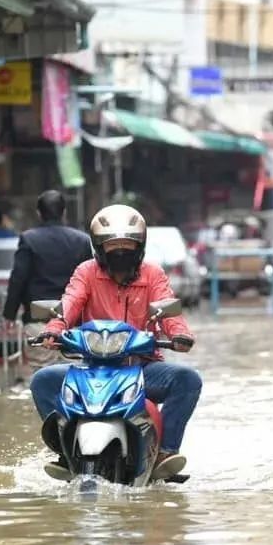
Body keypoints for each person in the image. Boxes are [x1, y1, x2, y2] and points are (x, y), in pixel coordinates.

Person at [30, 204, 202, 481]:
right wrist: (54, 329)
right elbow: (70, 302)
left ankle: (166, 452)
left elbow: (168, 308)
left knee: (188, 379)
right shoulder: (86, 272)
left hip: (142, 368)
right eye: (112, 245)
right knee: (43, 380)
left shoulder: (153, 274)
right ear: (99, 247)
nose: (120, 251)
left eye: (127, 244)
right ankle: (65, 448)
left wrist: (179, 334)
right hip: (91, 368)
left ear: (140, 245)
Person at [3, 191, 92, 377]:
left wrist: (9, 315)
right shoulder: (82, 240)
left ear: (39, 213)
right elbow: (91, 283)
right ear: (64, 212)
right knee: (77, 376)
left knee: (42, 375)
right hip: (73, 324)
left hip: (39, 322)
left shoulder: (29, 239)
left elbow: (18, 279)